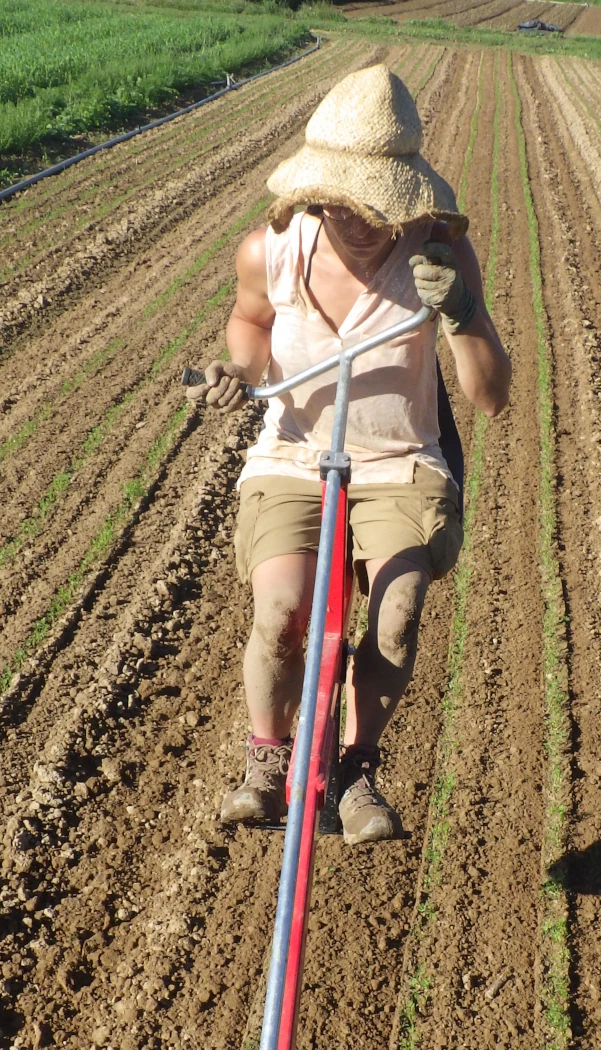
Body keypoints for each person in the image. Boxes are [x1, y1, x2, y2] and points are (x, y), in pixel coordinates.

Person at [191, 65, 511, 843]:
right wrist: (241, 372)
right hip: (295, 455)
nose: (358, 221)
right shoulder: (271, 251)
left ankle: (356, 768)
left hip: (400, 460)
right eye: (339, 203)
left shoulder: (436, 258)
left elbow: (491, 395)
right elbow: (249, 325)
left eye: (375, 205)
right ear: (312, 195)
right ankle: (268, 760)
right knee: (282, 614)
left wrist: (461, 312)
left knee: (396, 615)